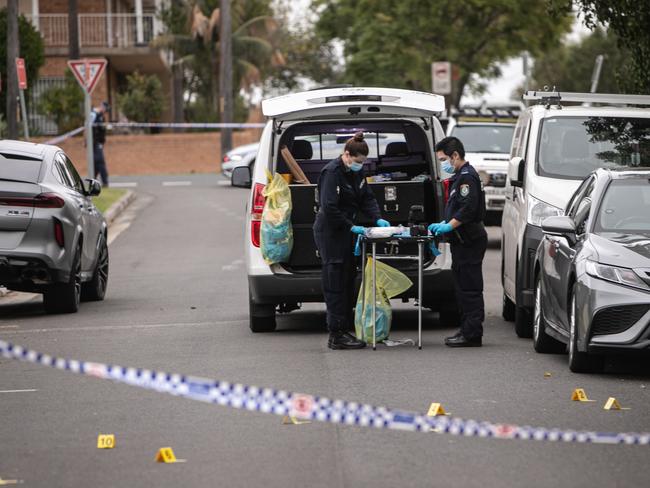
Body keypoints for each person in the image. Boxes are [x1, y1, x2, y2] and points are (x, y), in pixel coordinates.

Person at [313, 132, 391, 350]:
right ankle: (336, 334)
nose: (360, 165)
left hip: (347, 232)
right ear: (346, 155)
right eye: (357, 162)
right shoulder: (332, 173)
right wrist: (351, 226)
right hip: (331, 231)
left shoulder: (357, 173)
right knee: (335, 281)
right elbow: (329, 208)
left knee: (348, 280)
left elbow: (366, 197)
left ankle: (345, 329)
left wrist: (377, 217)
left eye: (363, 162)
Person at [429, 136, 487, 347]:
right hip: (462, 240)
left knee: (469, 288)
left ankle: (472, 334)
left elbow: (468, 209)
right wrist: (443, 223)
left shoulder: (467, 178)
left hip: (470, 239)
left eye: (444, 159)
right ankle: (466, 329)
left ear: (455, 156)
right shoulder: (459, 177)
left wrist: (448, 225)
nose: (443, 163)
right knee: (462, 288)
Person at [90, 101, 110, 187]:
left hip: (99, 142)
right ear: (102, 107)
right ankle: (105, 182)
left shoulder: (101, 116)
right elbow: (87, 126)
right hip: (95, 142)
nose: (105, 112)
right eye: (105, 109)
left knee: (96, 162)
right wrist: (85, 141)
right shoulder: (93, 114)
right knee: (100, 161)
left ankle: (93, 182)